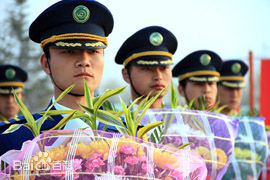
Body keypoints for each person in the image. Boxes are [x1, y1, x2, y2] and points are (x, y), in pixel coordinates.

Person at [0, 0, 113, 155]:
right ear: (46, 64)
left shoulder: (130, 135)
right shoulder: (12, 139)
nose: (84, 61)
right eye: (69, 51)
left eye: (93, 51)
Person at [115, 26, 178, 108]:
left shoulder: (184, 120)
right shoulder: (116, 120)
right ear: (126, 75)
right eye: (147, 68)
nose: (158, 76)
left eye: (163, 68)